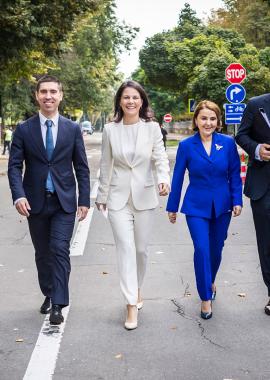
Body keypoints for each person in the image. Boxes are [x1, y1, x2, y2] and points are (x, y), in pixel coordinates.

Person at [8, 75, 90, 325]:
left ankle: (58, 304)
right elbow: (14, 167)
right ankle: (49, 292)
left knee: (58, 250)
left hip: (64, 202)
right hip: (34, 202)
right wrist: (18, 195)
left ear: (61, 96)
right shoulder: (24, 129)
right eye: (44, 91)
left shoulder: (72, 129)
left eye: (53, 91)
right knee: (42, 253)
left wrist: (84, 199)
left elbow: (81, 167)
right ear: (37, 95)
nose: (48, 96)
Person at [95, 80, 170, 330]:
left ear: (142, 101)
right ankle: (130, 305)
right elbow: (106, 164)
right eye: (126, 97)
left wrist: (163, 180)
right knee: (125, 249)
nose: (130, 101)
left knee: (140, 250)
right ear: (119, 101)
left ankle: (137, 288)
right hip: (117, 199)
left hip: (145, 196)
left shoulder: (152, 128)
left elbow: (160, 157)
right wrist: (101, 195)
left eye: (135, 97)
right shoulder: (110, 130)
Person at [167, 100, 242, 319]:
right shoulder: (186, 146)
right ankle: (205, 298)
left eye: (212, 118)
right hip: (196, 206)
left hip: (222, 205)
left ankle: (210, 281)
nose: (208, 123)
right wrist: (172, 206)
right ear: (196, 121)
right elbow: (178, 177)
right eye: (203, 118)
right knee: (201, 248)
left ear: (218, 122)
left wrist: (237, 200)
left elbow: (235, 175)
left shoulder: (227, 144)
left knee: (216, 250)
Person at [235, 93, 270, 316]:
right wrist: (257, 150)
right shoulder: (257, 105)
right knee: (267, 243)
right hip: (264, 186)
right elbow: (241, 136)